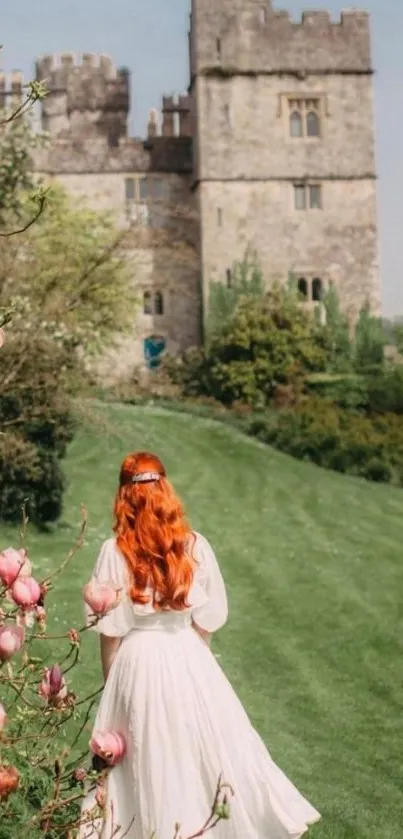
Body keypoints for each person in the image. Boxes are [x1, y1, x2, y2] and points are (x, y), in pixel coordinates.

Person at [81, 451, 320, 839]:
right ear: (166, 491)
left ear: (125, 496)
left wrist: (114, 686)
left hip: (138, 660)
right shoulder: (194, 546)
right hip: (188, 651)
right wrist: (200, 666)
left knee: (147, 751)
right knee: (200, 746)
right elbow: (206, 621)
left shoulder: (115, 551)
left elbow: (111, 631)